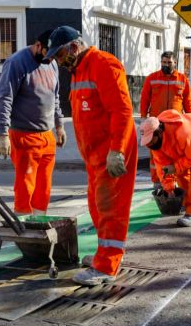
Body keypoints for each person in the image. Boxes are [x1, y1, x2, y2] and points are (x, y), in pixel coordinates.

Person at [47, 26, 138, 286]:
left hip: (110, 153)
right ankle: (104, 255)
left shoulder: (104, 65)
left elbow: (121, 111)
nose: (59, 61)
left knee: (110, 208)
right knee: (98, 206)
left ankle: (107, 265)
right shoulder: (78, 71)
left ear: (74, 47)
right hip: (95, 157)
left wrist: (117, 150)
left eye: (61, 55)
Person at [0, 30, 66, 216]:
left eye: (54, 56)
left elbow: (55, 97)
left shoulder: (52, 65)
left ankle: (39, 223)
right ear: (38, 45)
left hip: (47, 135)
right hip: (24, 135)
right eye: (48, 55)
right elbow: (4, 99)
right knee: (26, 186)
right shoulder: (16, 63)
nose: (51, 60)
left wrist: (59, 125)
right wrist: (2, 135)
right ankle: (24, 228)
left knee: (44, 186)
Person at [139, 51, 191, 188]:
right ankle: (157, 181)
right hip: (156, 124)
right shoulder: (152, 78)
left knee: (175, 152)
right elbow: (145, 98)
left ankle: (172, 180)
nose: (166, 65)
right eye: (163, 62)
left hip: (175, 124)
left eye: (169, 62)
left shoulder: (182, 79)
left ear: (175, 63)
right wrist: (143, 117)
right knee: (155, 153)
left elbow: (187, 101)